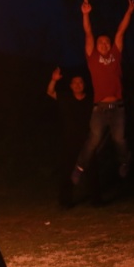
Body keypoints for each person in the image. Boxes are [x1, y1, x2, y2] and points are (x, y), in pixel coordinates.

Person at [71, 0, 134, 185]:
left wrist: (129, 11)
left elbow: (121, 31)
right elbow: (88, 32)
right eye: (101, 43)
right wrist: (85, 14)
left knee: (119, 139)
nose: (104, 44)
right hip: (99, 108)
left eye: (107, 42)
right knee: (93, 140)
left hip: (118, 107)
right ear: (96, 46)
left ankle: (125, 161)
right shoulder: (92, 57)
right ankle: (79, 167)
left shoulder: (116, 54)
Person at [47, 67, 92, 205]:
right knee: (67, 171)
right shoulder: (66, 98)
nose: (78, 85)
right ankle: (65, 202)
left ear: (84, 85)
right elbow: (50, 92)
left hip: (88, 141)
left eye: (80, 82)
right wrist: (53, 80)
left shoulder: (91, 99)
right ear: (71, 86)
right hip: (69, 142)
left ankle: (96, 200)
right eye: (75, 83)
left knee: (92, 170)